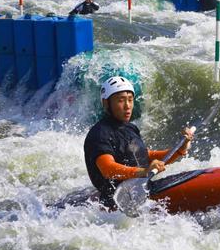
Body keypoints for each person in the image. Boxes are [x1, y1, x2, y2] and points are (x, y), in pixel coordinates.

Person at [83, 76, 193, 208]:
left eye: (130, 100)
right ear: (106, 103)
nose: (127, 106)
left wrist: (180, 149)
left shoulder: (130, 128)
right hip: (117, 202)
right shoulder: (99, 133)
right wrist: (143, 172)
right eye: (121, 100)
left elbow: (146, 156)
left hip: (140, 191)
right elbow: (108, 169)